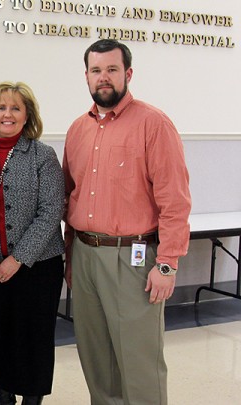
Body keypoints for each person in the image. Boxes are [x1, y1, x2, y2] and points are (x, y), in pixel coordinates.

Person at [63, 39, 192, 405]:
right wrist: (72, 259)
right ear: (86, 76)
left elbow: (175, 200)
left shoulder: (154, 124)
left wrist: (167, 264)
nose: (103, 78)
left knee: (139, 364)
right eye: (96, 70)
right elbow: (69, 197)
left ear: (128, 74)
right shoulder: (77, 130)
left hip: (133, 260)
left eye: (111, 70)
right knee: (96, 361)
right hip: (86, 257)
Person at [0, 81, 65, 405]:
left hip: (38, 269)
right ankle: (5, 400)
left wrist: (18, 258)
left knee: (33, 342)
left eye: (15, 108)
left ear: (27, 116)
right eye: (0, 107)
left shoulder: (43, 155)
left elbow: (52, 211)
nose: (7, 114)